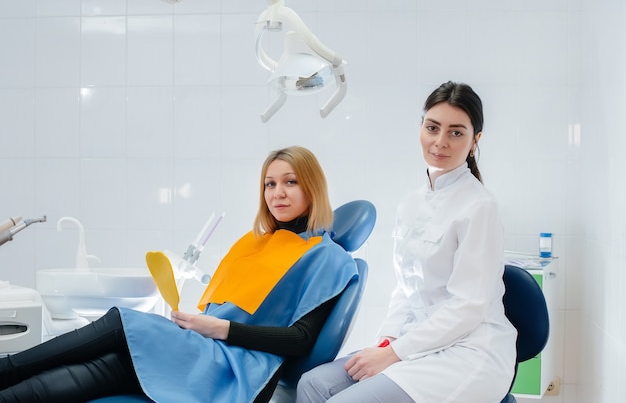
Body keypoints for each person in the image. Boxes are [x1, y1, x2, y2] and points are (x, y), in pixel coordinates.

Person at [0, 146, 359, 403]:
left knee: (119, 323)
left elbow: (300, 340)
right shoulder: (258, 244)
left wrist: (218, 328)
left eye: (290, 182)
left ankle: (7, 367)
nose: (277, 193)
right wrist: (202, 324)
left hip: (239, 366)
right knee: (105, 365)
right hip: (207, 345)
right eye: (269, 184)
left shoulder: (327, 258)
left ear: (311, 187)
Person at [296, 81, 517, 403]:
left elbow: (468, 308)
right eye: (432, 128)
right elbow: (405, 289)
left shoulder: (479, 206)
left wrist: (394, 353)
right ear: (421, 128)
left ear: (474, 141)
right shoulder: (410, 204)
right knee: (312, 385)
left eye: (456, 132)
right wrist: (386, 341)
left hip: (468, 352)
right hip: (415, 342)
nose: (440, 141)